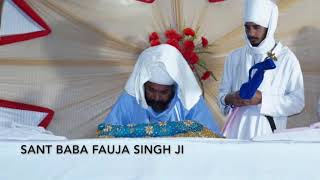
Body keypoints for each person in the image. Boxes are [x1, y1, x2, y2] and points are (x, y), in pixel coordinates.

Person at [218, 0, 304, 139]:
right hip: (235, 137)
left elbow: (297, 102)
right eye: (247, 27)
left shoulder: (286, 58)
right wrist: (230, 98)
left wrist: (263, 99)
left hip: (268, 138)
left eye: (256, 27)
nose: (251, 33)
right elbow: (222, 97)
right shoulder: (234, 57)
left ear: (269, 26)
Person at [104, 44, 220, 134]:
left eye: (163, 92)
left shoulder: (189, 102)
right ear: (143, 85)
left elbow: (210, 141)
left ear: (174, 88)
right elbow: (107, 136)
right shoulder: (129, 100)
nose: (156, 97)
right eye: (151, 90)